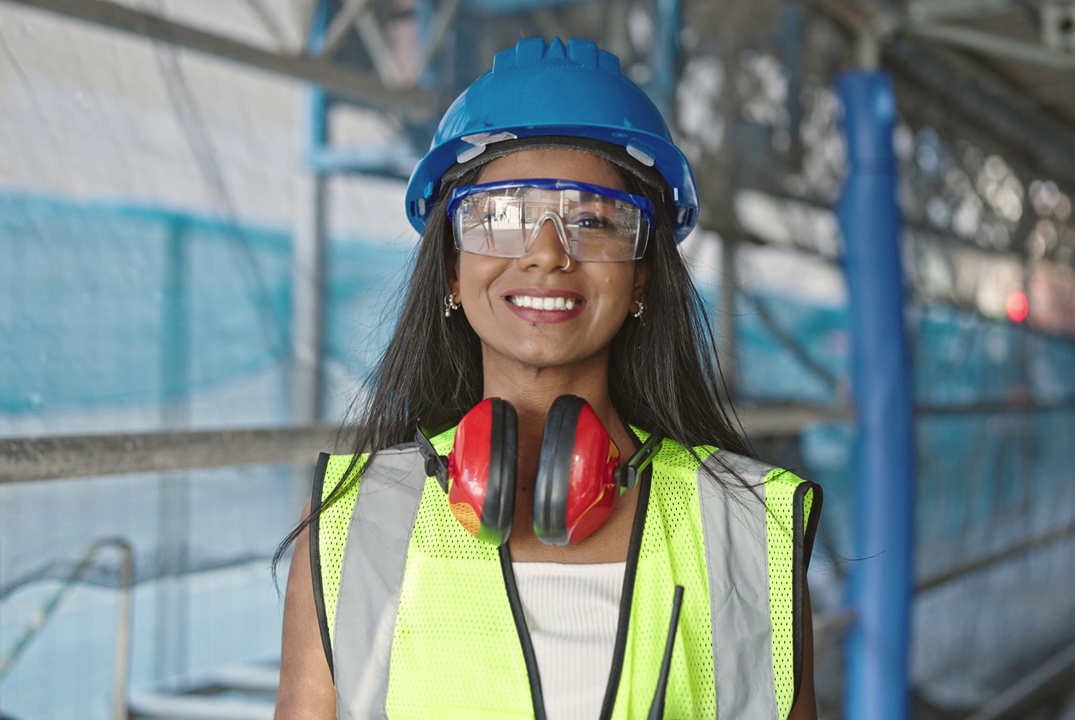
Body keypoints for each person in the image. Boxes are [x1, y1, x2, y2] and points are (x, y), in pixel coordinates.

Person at [274, 37, 821, 720]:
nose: (546, 254)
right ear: (451, 268)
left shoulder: (747, 526)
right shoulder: (352, 524)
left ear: (642, 276)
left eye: (593, 221)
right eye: (501, 215)